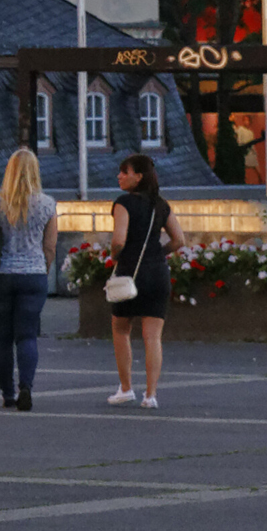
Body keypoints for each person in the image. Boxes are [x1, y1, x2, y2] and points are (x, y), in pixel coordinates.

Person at [0, 147, 57, 411]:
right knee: (27, 336)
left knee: (2, 336)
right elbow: (50, 246)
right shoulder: (48, 204)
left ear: (9, 171)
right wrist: (43, 272)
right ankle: (26, 387)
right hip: (33, 275)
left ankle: (7, 394)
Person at [107, 153, 177, 409]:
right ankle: (151, 394)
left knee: (121, 329)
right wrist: (158, 253)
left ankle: (126, 388)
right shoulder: (161, 204)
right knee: (153, 336)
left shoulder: (123, 203)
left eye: (125, 172)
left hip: (130, 273)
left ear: (139, 176)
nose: (120, 176)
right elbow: (179, 239)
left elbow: (118, 240)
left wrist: (114, 256)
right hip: (157, 273)